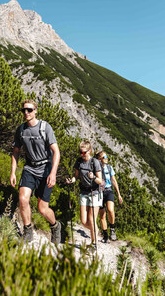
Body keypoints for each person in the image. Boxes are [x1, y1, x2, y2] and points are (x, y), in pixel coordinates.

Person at [10, 99, 62, 244]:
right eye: (24, 110)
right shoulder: (21, 130)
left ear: (35, 111)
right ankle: (28, 231)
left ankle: (55, 226)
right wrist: (13, 172)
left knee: (42, 208)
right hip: (29, 168)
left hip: (45, 169)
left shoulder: (45, 127)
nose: (26, 113)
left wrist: (53, 173)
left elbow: (56, 152)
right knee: (23, 199)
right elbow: (15, 152)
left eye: (30, 110)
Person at [67, 141, 103, 251]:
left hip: (95, 192)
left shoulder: (95, 162)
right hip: (83, 192)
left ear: (90, 151)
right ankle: (95, 230)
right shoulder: (79, 162)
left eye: (84, 152)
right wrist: (71, 180)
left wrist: (93, 177)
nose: (82, 155)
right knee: (83, 221)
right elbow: (76, 176)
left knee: (91, 219)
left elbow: (100, 180)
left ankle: (94, 243)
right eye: (80, 152)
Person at [96, 151, 123, 242]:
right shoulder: (96, 168)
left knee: (111, 210)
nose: (107, 158)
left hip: (108, 190)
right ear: (100, 159)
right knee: (102, 215)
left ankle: (112, 228)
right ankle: (105, 236)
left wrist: (119, 194)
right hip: (99, 192)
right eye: (104, 157)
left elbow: (114, 181)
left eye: (107, 156)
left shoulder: (109, 167)